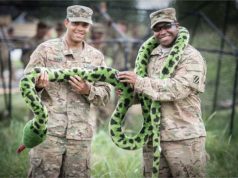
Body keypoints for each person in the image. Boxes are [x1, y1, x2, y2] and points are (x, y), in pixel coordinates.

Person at [118, 8, 207, 178]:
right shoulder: (151, 56)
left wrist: (140, 82)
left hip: (183, 138)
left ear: (177, 25)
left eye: (167, 26)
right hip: (152, 137)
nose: (162, 31)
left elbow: (178, 89)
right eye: (157, 29)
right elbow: (147, 91)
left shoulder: (191, 56)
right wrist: (130, 91)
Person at [24, 5, 111, 178]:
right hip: (48, 133)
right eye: (76, 23)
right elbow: (26, 86)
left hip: (80, 137)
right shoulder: (45, 50)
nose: (80, 28)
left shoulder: (96, 57)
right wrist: (39, 86)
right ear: (66, 22)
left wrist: (88, 90)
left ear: (89, 27)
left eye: (85, 25)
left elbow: (106, 96)